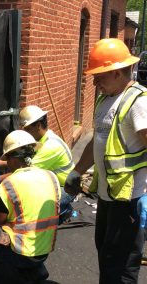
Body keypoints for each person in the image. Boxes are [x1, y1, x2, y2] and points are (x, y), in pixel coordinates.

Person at [64, 38, 147, 283]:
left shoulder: (138, 102)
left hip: (130, 199)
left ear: (120, 72)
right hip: (109, 195)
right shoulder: (105, 99)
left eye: (100, 75)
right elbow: (96, 142)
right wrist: (76, 171)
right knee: (105, 254)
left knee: (121, 267)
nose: (94, 81)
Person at [0, 130, 61, 283]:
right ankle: (33, 270)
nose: (7, 163)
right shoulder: (51, 177)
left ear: (15, 159)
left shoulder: (11, 183)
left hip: (21, 254)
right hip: (42, 252)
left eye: (8, 158)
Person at [0, 105, 75, 223]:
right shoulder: (41, 139)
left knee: (33, 203)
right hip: (52, 183)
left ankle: (63, 210)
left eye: (27, 129)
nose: (25, 132)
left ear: (38, 125)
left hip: (66, 189)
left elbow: (25, 171)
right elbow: (21, 161)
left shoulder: (51, 146)